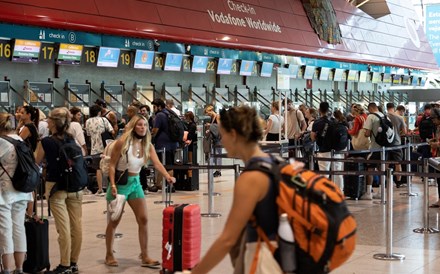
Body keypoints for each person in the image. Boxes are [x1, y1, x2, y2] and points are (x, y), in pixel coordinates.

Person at [191, 105, 296, 274]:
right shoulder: (274, 161)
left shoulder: (251, 178)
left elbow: (227, 239)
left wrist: (196, 272)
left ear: (233, 135)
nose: (222, 140)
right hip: (284, 255)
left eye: (223, 134)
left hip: (265, 259)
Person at [104, 114, 175, 267]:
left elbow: (156, 163)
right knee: (114, 221)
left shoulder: (148, 145)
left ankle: (145, 255)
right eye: (139, 125)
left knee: (143, 219)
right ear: (133, 126)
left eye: (145, 125)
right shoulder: (122, 142)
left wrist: (167, 176)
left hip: (135, 183)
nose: (143, 127)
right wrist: (113, 185)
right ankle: (109, 254)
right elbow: (111, 164)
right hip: (121, 183)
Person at [34, 107, 84, 274]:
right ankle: (74, 262)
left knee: (63, 228)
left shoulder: (46, 142)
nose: (46, 121)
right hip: (76, 186)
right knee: (76, 226)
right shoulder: (71, 139)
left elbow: (35, 162)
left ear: (54, 123)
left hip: (56, 188)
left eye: (48, 119)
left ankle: (64, 265)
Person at [0, 113, 33, 274]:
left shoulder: (1, 142)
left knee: (5, 230)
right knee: (19, 228)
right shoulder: (21, 140)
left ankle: (6, 269)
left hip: (4, 193)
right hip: (22, 190)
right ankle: (19, 268)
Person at [150, 99, 178, 192]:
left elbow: (155, 130)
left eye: (154, 107)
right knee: (164, 164)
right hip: (172, 143)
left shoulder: (160, 115)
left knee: (167, 165)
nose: (153, 109)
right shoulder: (169, 113)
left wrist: (150, 136)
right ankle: (158, 184)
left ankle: (170, 186)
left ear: (159, 106)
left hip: (163, 145)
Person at [85, 105, 114, 195]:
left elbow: (88, 134)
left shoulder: (88, 121)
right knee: (109, 165)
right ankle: (110, 187)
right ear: (99, 112)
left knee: (98, 168)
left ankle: (100, 189)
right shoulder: (103, 119)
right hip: (106, 147)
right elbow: (111, 131)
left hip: (94, 148)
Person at [204, 105, 222, 177]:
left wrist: (210, 126)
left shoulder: (217, 116)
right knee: (215, 154)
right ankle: (217, 170)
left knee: (218, 154)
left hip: (218, 139)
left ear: (211, 111)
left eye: (208, 113)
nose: (208, 115)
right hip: (215, 138)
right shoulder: (213, 117)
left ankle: (218, 171)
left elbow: (220, 127)